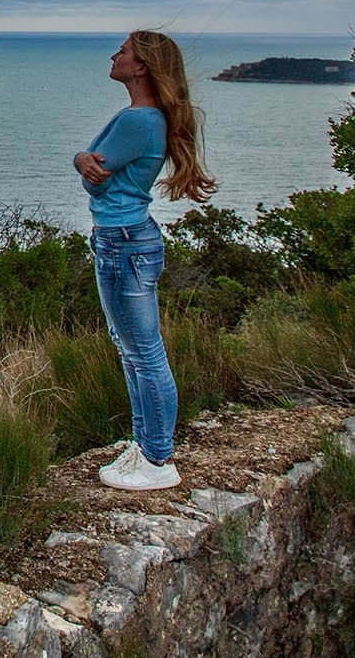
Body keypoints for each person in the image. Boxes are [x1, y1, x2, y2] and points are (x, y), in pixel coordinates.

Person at [72, 30, 216, 490]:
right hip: (129, 239)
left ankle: (157, 459)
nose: (114, 55)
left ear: (142, 67)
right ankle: (146, 445)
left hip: (123, 241)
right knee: (133, 349)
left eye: (124, 51)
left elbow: (94, 180)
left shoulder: (137, 120)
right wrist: (82, 158)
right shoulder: (145, 118)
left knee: (143, 353)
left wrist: (83, 163)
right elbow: (93, 165)